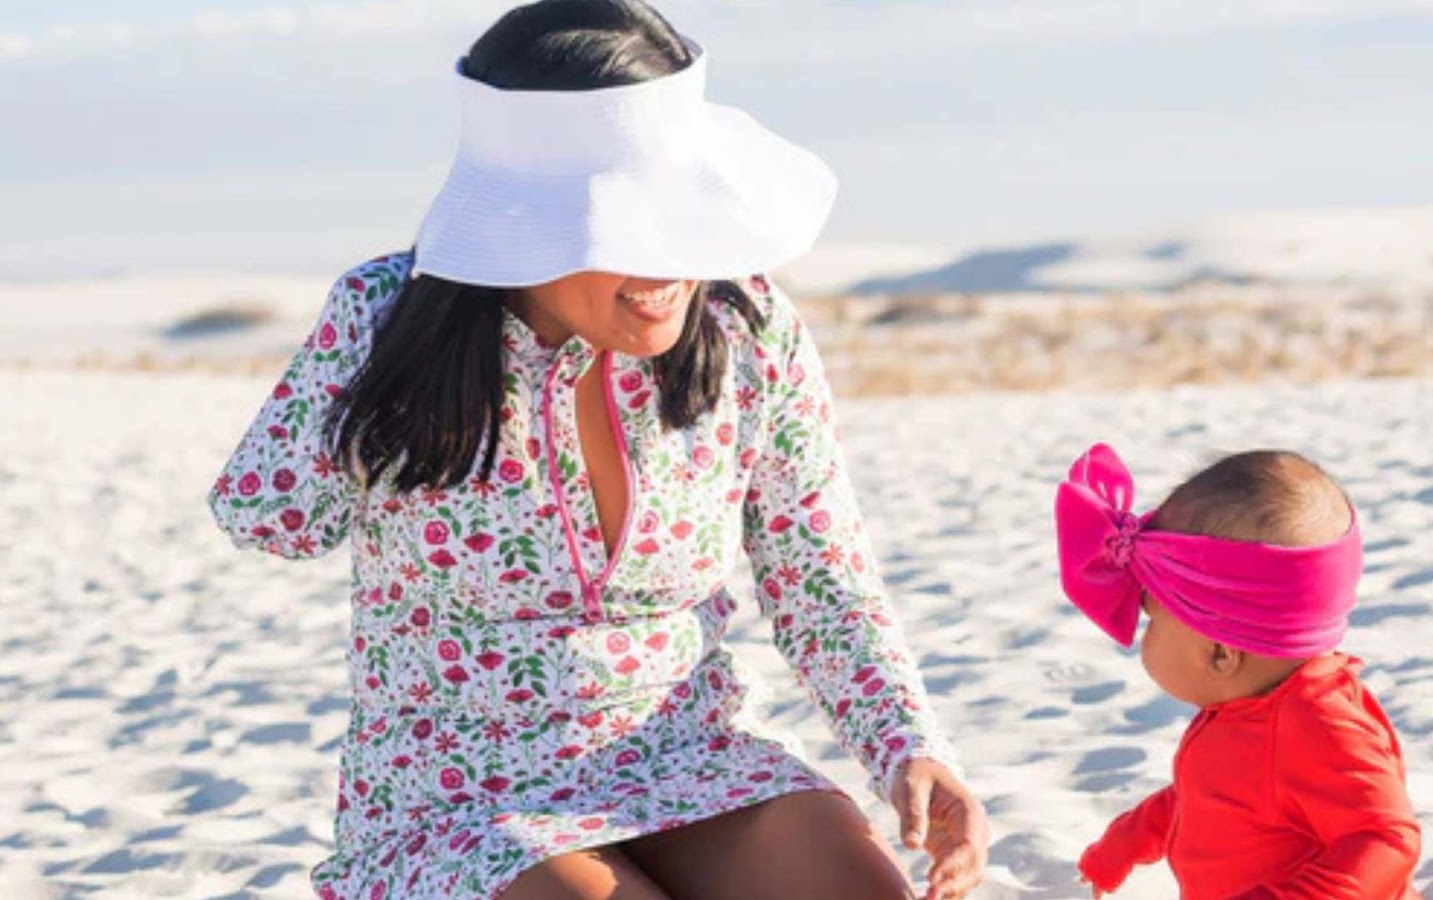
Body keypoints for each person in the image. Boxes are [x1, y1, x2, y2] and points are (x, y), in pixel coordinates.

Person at [204, 2, 988, 898]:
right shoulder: (387, 317)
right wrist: (382, 382)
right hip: (458, 798)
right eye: (622, 221)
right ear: (514, 220)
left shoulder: (749, 325)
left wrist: (909, 747)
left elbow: (822, 575)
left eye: (684, 213)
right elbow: (270, 519)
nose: (666, 263)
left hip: (695, 758)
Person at [1055, 444, 1422, 898]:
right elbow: (1211, 799)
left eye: (1151, 618)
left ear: (1220, 654)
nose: (1142, 637)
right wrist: (1125, 842)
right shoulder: (1251, 707)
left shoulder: (1317, 723)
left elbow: (1386, 837)